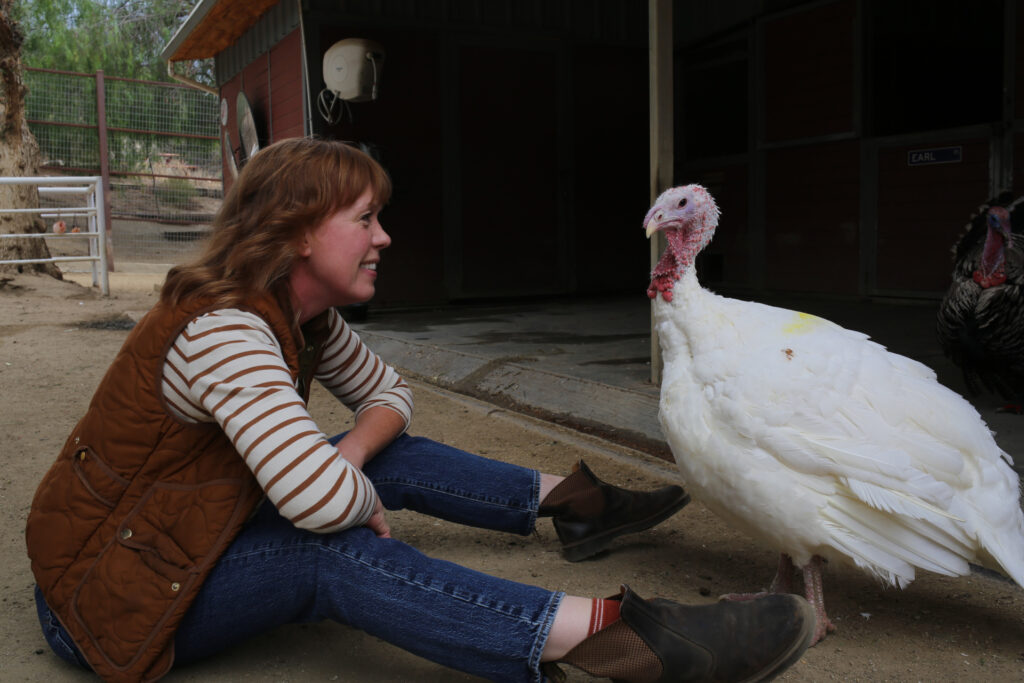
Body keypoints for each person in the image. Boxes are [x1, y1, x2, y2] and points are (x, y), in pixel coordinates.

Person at [26, 137, 815, 683]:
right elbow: (317, 505)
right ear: (298, 234)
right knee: (325, 552)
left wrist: (350, 457)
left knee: (377, 457)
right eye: (364, 218)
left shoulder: (300, 314)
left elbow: (392, 394)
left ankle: (576, 503)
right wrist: (343, 490)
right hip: (106, 596)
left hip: (183, 533)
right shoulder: (227, 329)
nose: (385, 236)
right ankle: (621, 640)